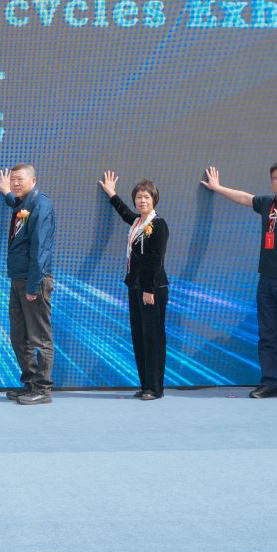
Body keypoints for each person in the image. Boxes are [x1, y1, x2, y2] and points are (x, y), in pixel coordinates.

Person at [202, 163, 277, 400]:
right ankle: (270, 383)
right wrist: (217, 187)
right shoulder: (268, 204)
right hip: (266, 282)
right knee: (267, 335)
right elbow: (245, 198)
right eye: (276, 178)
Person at [100, 171, 170, 399]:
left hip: (152, 289)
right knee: (139, 337)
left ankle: (156, 388)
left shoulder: (158, 225)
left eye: (146, 197)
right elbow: (124, 213)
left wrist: (149, 289)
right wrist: (112, 194)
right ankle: (145, 384)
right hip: (135, 287)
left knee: (153, 338)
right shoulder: (138, 222)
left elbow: (156, 259)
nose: (142, 201)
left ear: (154, 199)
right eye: (139, 197)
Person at [0, 164, 57, 404]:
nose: (15, 183)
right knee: (19, 336)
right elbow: (16, 204)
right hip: (18, 278)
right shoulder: (23, 203)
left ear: (33, 180)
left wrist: (33, 286)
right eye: (13, 179)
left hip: (34, 280)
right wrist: (7, 194)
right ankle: (30, 383)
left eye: (20, 179)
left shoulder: (41, 205)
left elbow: (40, 248)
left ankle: (43, 389)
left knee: (39, 337)